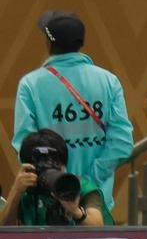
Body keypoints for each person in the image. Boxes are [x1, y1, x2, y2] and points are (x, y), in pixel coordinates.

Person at [13, 11, 134, 212]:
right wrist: (87, 182)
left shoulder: (30, 85)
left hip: (49, 202)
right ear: (80, 42)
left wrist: (59, 182)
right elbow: (122, 143)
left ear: (48, 43)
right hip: (96, 202)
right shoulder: (108, 81)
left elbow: (24, 147)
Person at [4, 129, 112, 227]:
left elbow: (98, 228)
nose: (48, 173)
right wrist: (16, 191)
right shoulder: (25, 192)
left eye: (54, 166)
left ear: (64, 165)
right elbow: (4, 233)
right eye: (41, 168)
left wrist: (75, 212)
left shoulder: (80, 187)